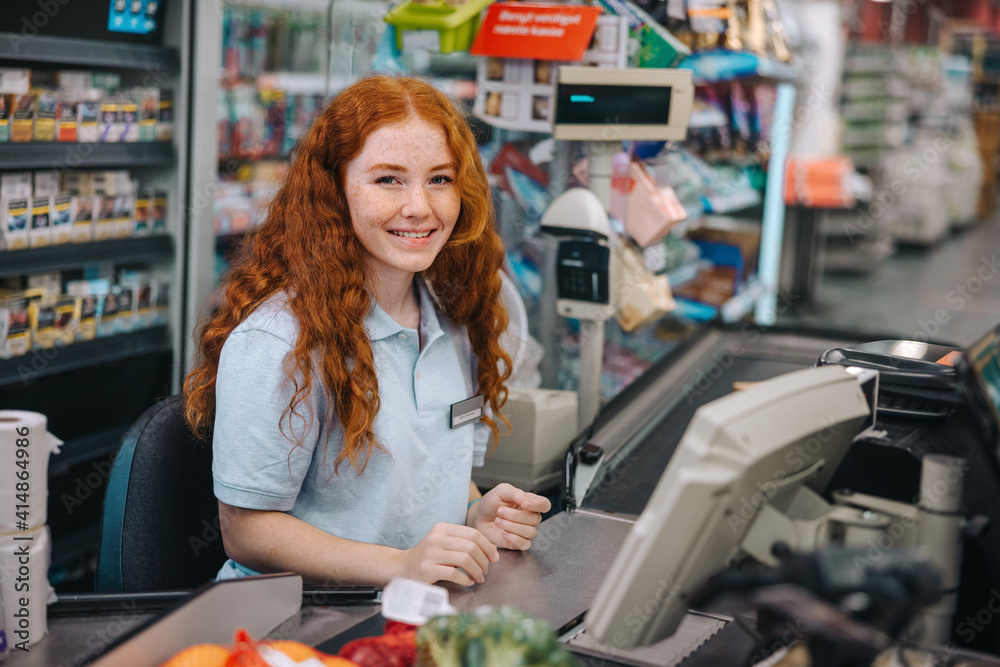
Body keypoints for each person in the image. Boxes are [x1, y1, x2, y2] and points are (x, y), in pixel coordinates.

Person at [184, 75, 551, 588]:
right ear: (335, 191)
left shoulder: (458, 319)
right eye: (388, 180)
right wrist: (400, 566)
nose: (420, 207)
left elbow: (430, 475)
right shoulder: (278, 341)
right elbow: (246, 533)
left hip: (407, 610)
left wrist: (475, 512)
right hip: (296, 622)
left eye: (440, 179)